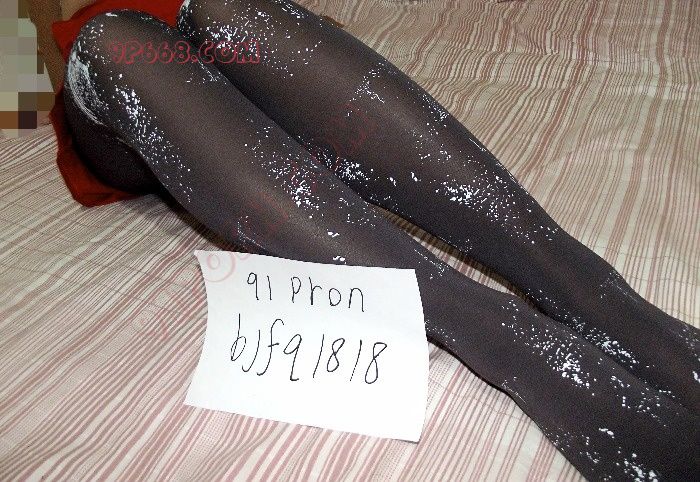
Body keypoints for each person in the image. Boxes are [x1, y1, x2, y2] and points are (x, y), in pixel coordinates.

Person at [59, 2, 699, 480]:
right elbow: (54, 69)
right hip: (113, 101)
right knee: (114, 38)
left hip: (223, 42)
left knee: (222, 6)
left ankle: (592, 294)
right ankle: (505, 333)